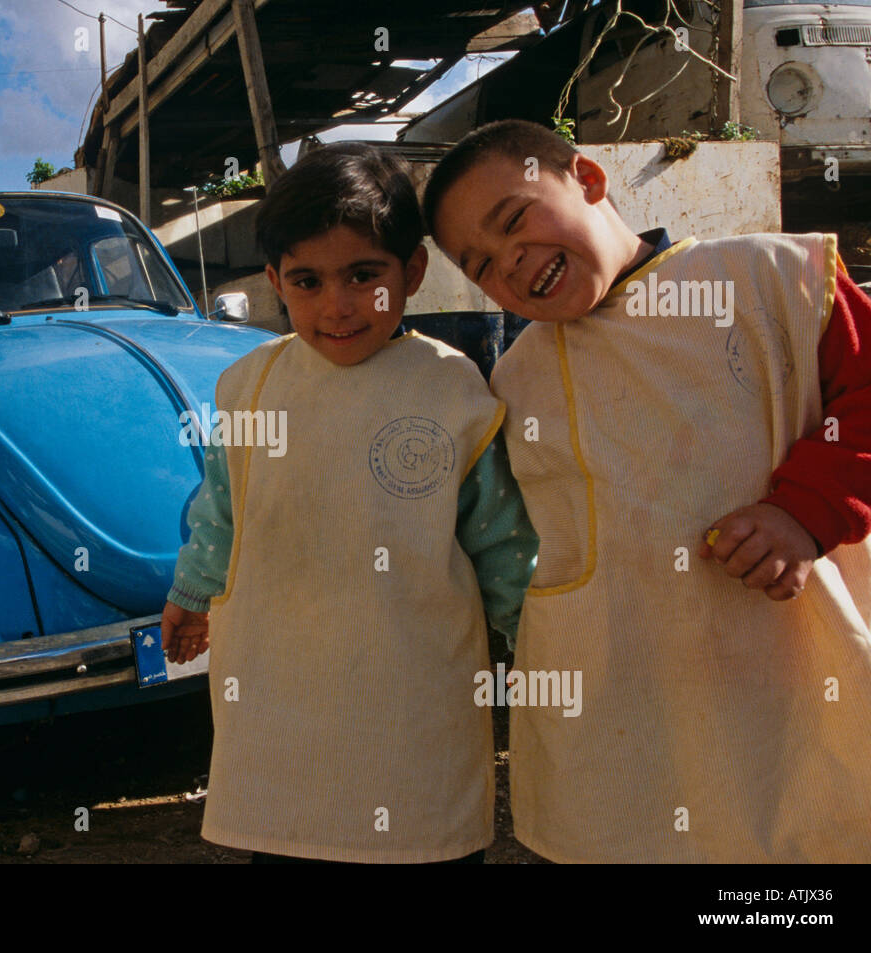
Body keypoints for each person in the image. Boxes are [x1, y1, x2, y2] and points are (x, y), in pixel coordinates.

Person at [421, 118, 871, 862]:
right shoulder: (516, 378)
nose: (511, 261)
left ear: (591, 180)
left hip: (790, 669)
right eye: (481, 264)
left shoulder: (770, 279)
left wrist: (805, 510)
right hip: (627, 710)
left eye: (515, 220)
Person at [160, 144, 537, 863]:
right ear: (275, 282)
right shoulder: (249, 386)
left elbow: (502, 542)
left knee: (424, 840)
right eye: (308, 281)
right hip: (280, 702)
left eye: (365, 275)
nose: (338, 305)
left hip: (415, 709)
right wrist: (193, 589)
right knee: (289, 841)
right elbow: (222, 509)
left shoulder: (454, 391)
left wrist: (533, 647)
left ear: (413, 271)